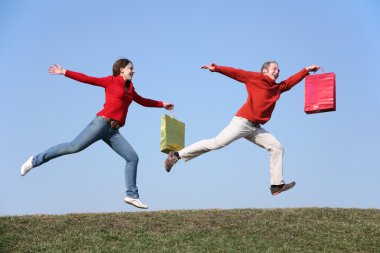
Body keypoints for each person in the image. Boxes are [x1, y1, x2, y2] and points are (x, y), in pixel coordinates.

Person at [21, 58, 174, 209]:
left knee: (132, 158)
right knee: (73, 147)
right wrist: (64, 72)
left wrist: (161, 104)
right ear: (121, 69)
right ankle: (35, 160)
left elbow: (142, 100)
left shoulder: (130, 88)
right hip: (101, 123)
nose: (133, 71)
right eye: (130, 68)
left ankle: (132, 195)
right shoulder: (111, 81)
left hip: (113, 131)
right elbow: (87, 79)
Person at [164, 61, 319, 196]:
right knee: (216, 143)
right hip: (242, 122)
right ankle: (176, 155)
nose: (277, 71)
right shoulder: (256, 78)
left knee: (277, 147)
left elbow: (291, 81)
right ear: (264, 71)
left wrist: (306, 70)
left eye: (279, 70)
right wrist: (217, 68)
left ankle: (276, 185)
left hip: (255, 128)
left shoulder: (277, 88)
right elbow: (237, 73)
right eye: (274, 68)